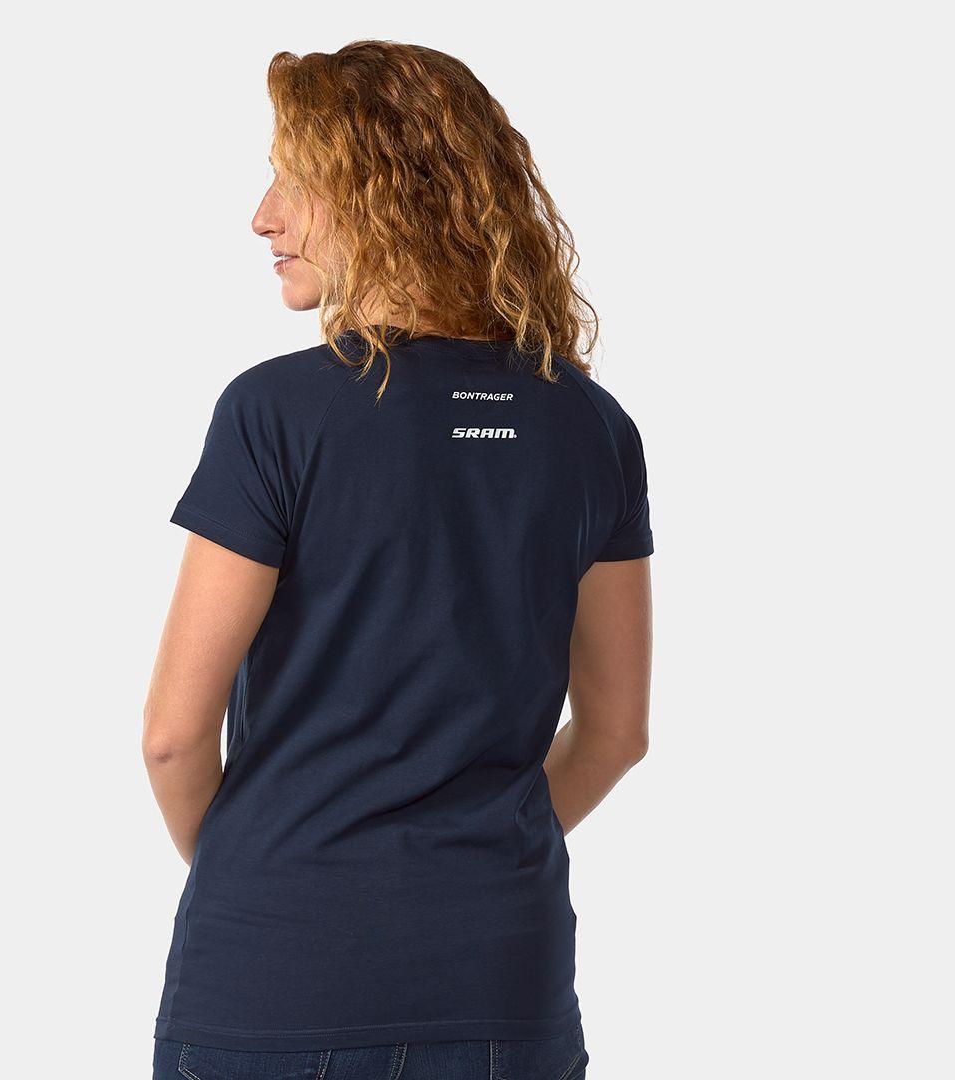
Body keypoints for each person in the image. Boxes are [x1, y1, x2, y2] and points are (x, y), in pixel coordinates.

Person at [143, 41, 651, 1080]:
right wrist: (465, 861)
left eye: (294, 180)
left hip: (276, 982)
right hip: (503, 985)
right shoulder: (590, 427)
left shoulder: (277, 414)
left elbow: (171, 739)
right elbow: (616, 732)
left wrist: (266, 876)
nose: (263, 217)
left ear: (385, 194)